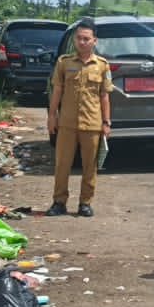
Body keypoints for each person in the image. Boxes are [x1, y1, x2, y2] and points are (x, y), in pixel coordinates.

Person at [46, 20, 112, 218]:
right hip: (67, 123)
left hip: (92, 123)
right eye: (78, 38)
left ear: (94, 41)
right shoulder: (64, 63)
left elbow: (104, 96)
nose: (81, 42)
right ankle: (59, 202)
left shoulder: (102, 66)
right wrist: (51, 116)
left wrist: (106, 122)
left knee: (89, 166)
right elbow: (57, 90)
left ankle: (85, 202)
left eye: (86, 39)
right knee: (62, 164)